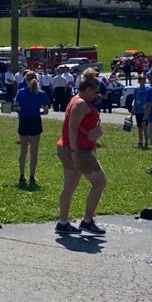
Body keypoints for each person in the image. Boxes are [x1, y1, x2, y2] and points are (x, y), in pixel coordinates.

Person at [55, 69, 106, 236]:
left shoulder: (78, 100)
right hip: (79, 150)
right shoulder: (80, 104)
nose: (96, 95)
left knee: (69, 186)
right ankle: (88, 220)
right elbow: (72, 127)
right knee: (99, 183)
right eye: (95, 91)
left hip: (71, 148)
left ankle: (63, 222)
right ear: (89, 88)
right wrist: (75, 151)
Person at [14, 71, 49, 186]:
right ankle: (32, 176)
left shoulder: (21, 92)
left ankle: (21, 175)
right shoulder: (41, 93)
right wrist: (37, 112)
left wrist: (21, 111)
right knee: (34, 151)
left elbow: (15, 107)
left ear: (25, 80)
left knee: (23, 150)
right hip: (35, 121)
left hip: (24, 121)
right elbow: (46, 110)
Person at [132, 73, 150, 148]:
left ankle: (146, 142)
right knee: (139, 127)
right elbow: (134, 99)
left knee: (144, 126)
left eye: (144, 80)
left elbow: (149, 99)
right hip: (138, 110)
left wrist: (146, 105)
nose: (142, 82)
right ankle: (140, 142)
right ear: (138, 81)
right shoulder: (136, 90)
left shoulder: (147, 89)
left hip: (145, 111)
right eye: (141, 81)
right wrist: (133, 106)